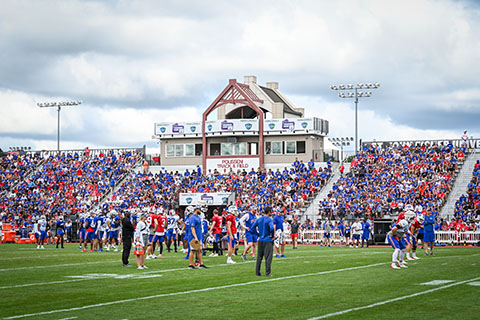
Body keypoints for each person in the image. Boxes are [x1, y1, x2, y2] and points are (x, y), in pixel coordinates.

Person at [251, 206, 275, 277]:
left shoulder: (259, 219)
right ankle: (268, 272)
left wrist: (258, 234)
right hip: (268, 239)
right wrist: (272, 235)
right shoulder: (269, 220)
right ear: (270, 212)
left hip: (261, 239)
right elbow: (271, 228)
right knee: (268, 257)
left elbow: (252, 228)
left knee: (259, 257)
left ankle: (257, 272)